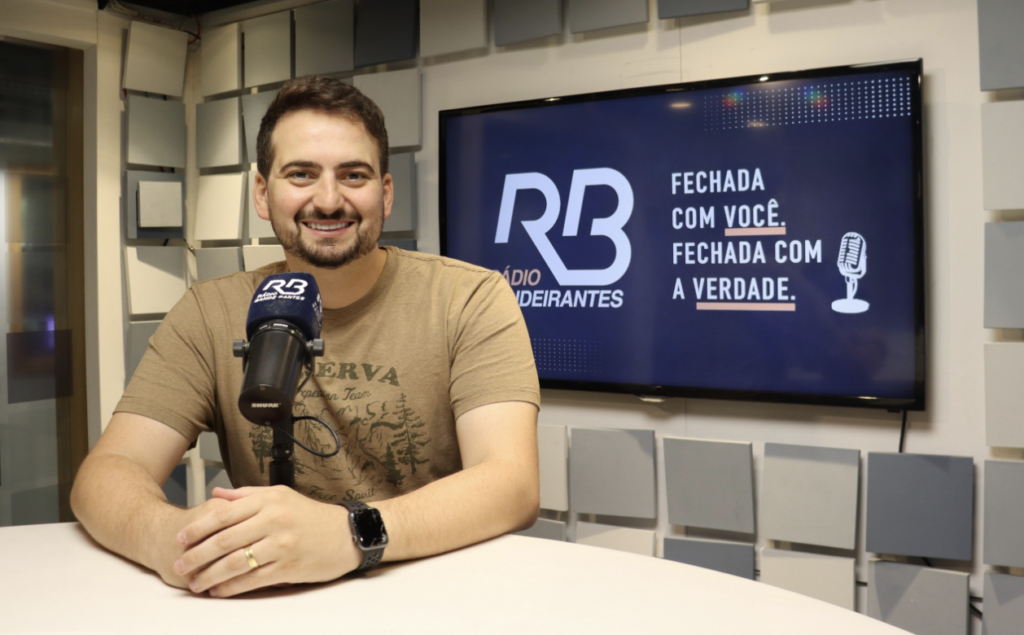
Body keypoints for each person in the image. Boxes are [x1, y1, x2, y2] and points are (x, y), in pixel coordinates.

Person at [71, 76, 541, 598]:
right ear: (262, 192)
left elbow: (511, 483)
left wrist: (350, 534)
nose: (328, 199)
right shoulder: (209, 311)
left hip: (431, 594)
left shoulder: (469, 298)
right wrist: (173, 541)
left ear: (385, 194)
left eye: (354, 175)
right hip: (273, 599)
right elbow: (108, 472)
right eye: (301, 174)